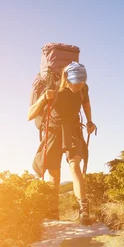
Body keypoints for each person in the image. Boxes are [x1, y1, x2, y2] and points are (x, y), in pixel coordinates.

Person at [27, 62, 97, 225]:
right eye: (77, 83)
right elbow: (30, 115)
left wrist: (89, 121)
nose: (80, 86)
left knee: (75, 166)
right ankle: (53, 212)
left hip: (72, 130)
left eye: (82, 82)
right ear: (67, 79)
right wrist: (44, 98)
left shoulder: (83, 89)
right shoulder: (52, 89)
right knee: (53, 173)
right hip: (53, 131)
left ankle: (83, 211)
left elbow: (86, 103)